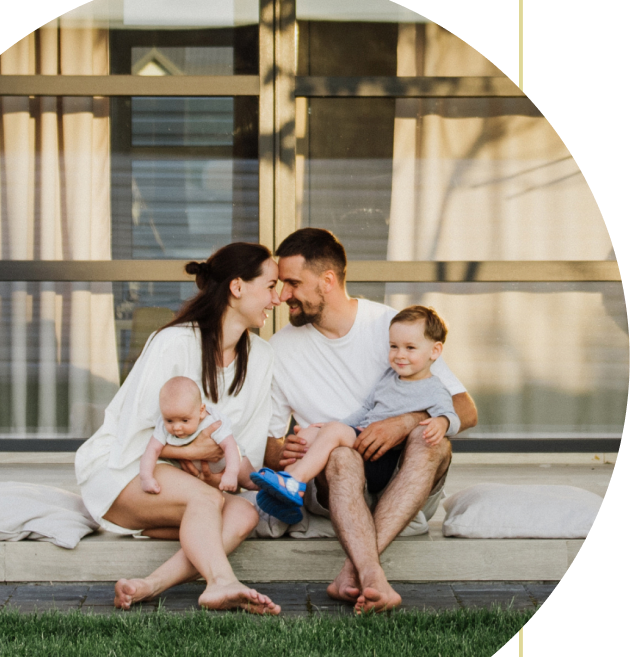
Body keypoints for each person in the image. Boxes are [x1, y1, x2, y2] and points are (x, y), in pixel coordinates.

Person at [264, 229, 478, 613]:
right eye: (281, 284)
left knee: (432, 439)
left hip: (405, 478)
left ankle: (353, 570)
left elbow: (465, 409)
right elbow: (268, 446)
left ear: (327, 281)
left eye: (293, 283)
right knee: (340, 456)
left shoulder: (393, 327)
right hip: (337, 481)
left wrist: (405, 421)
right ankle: (375, 578)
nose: (282, 296)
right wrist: (287, 451)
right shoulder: (279, 350)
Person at [76, 242, 283, 614]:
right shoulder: (174, 343)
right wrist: (192, 452)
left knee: (244, 513)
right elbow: (129, 435)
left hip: (193, 485)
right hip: (122, 471)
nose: (278, 298)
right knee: (207, 501)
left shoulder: (262, 358)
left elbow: (244, 453)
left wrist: (274, 482)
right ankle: (221, 582)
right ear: (237, 287)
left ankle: (149, 585)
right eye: (270, 286)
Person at [252, 306, 459, 522]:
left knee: (331, 431)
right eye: (394, 346)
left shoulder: (435, 389)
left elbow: (454, 418)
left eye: (410, 348)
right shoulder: (389, 377)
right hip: (362, 438)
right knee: (307, 435)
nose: (399, 355)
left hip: (383, 458)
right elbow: (365, 410)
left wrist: (443, 422)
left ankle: (295, 480)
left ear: (434, 351)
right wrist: (327, 429)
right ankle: (292, 495)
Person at [140, 376, 249, 495]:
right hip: (202, 476)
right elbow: (152, 450)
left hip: (230, 462)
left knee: (249, 480)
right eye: (170, 421)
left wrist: (231, 473)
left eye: (185, 420)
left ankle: (263, 485)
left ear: (201, 411)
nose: (176, 427)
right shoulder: (163, 425)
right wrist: (146, 478)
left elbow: (230, 446)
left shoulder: (211, 422)